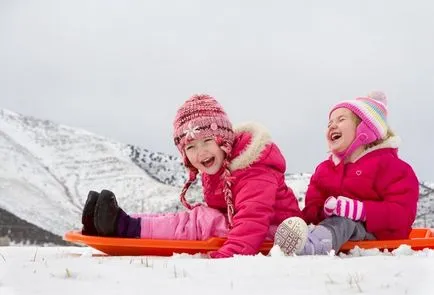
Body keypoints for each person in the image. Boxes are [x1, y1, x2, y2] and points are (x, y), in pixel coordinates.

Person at [81, 94, 302, 258]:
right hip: (245, 227)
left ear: (224, 141)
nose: (201, 152)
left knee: (203, 222)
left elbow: (253, 219)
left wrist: (229, 256)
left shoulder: (254, 170)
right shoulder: (217, 168)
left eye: (207, 141)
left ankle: (125, 227)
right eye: (191, 147)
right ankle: (118, 220)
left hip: (273, 231)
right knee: (193, 217)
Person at [274, 91, 419, 255]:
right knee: (332, 222)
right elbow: (311, 212)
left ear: (365, 128)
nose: (332, 126)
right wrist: (324, 211)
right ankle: (295, 240)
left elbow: (403, 213)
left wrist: (361, 211)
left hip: (377, 236)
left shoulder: (391, 167)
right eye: (329, 123)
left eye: (341, 120)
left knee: (344, 222)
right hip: (333, 231)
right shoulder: (324, 170)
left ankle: (310, 246)